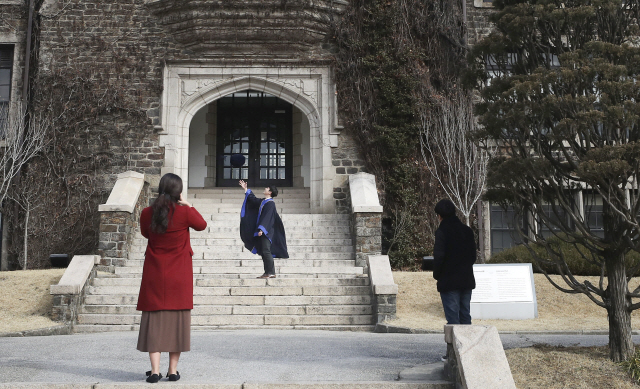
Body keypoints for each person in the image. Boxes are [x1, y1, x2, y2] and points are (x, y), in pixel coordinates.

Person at [136, 173, 207, 383]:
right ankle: (173, 371)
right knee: (178, 322)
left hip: (155, 272)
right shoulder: (184, 212)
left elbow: (145, 233)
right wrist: (188, 204)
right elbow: (202, 225)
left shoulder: (148, 213)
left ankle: (155, 371)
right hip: (179, 274)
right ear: (179, 191)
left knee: (154, 321)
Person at [433, 199, 476, 327]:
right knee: (465, 315)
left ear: (439, 216)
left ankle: (454, 347)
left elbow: (439, 256)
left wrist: (437, 274)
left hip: (449, 280)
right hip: (466, 278)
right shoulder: (467, 231)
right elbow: (473, 256)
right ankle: (468, 345)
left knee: (453, 319)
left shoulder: (442, 232)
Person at [238, 180, 288, 278]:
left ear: (270, 192)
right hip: (264, 230)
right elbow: (253, 199)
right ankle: (267, 272)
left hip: (267, 231)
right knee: (265, 252)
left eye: (267, 188)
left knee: (266, 251)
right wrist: (246, 189)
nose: (265, 189)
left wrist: (262, 229)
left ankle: (271, 272)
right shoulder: (264, 202)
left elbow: (267, 217)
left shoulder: (271, 204)